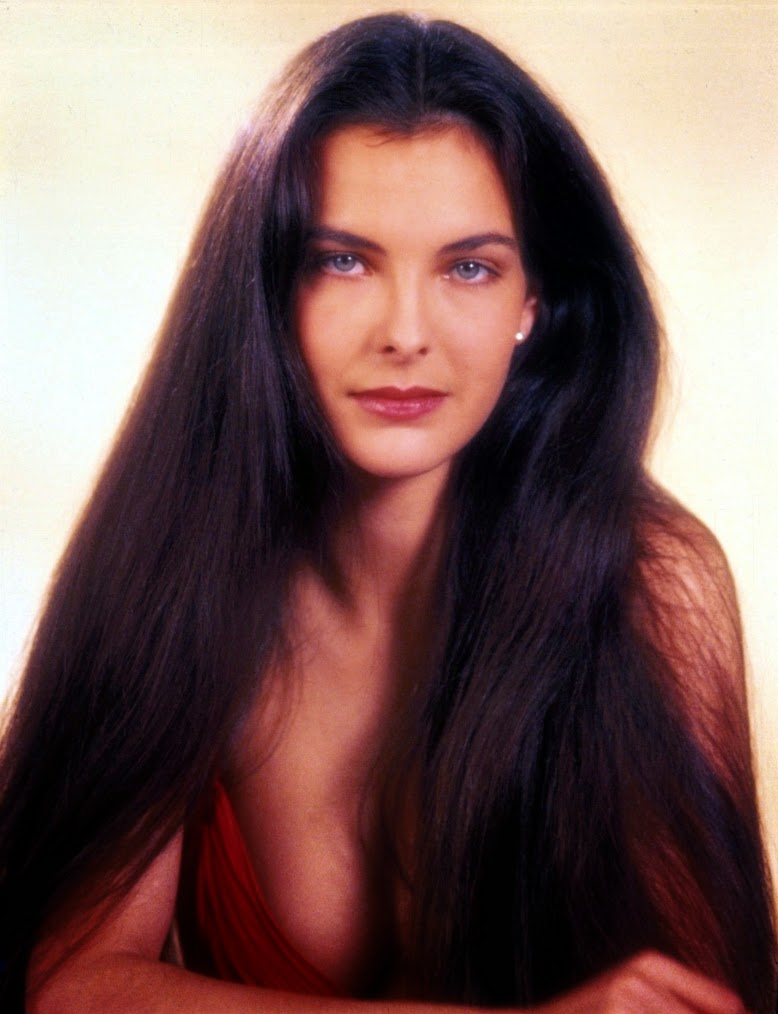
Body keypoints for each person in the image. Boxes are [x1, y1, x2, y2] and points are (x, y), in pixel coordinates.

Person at [0, 12, 775, 1014]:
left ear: (533, 303)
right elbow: (73, 987)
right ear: (268, 291)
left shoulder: (645, 580)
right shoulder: (174, 574)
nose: (405, 333)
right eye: (344, 261)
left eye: (468, 267)